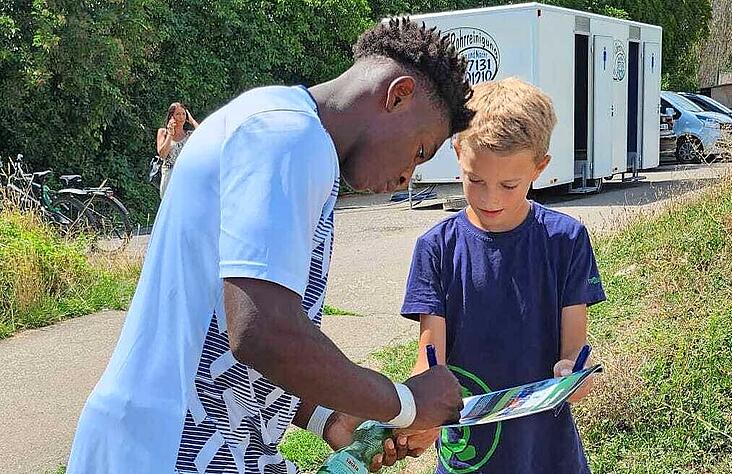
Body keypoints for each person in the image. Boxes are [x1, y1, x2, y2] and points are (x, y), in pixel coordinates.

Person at [68, 18, 473, 474]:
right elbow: (261, 332)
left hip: (187, 445)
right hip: (166, 448)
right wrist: (404, 402)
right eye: (420, 151)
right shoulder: (288, 138)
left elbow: (226, 338)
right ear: (397, 95)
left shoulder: (283, 127)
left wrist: (331, 417)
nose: (407, 176)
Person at [399, 78, 606, 473]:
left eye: (509, 185)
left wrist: (574, 374)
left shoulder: (566, 240)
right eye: (474, 179)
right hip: (469, 454)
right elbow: (430, 359)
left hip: (546, 454)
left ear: (540, 167)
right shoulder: (436, 248)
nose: (490, 198)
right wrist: (415, 410)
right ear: (458, 152)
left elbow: (574, 350)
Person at [156, 102, 199, 197]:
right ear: (172, 116)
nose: (181, 117)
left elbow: (202, 134)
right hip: (169, 176)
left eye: (183, 114)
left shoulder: (189, 135)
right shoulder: (163, 132)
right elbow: (162, 155)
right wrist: (170, 134)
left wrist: (191, 120)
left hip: (187, 176)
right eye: (178, 114)